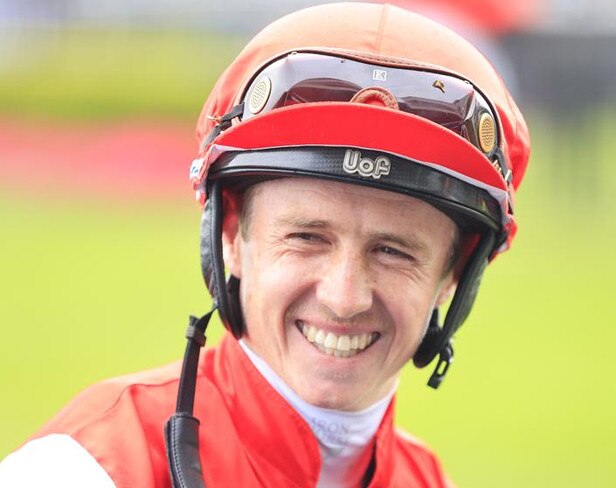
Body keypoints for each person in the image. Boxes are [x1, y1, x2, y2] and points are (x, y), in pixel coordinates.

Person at [0, 3, 530, 487]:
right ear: (232, 238)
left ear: (452, 277)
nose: (345, 297)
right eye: (306, 237)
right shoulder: (86, 469)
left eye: (394, 251)